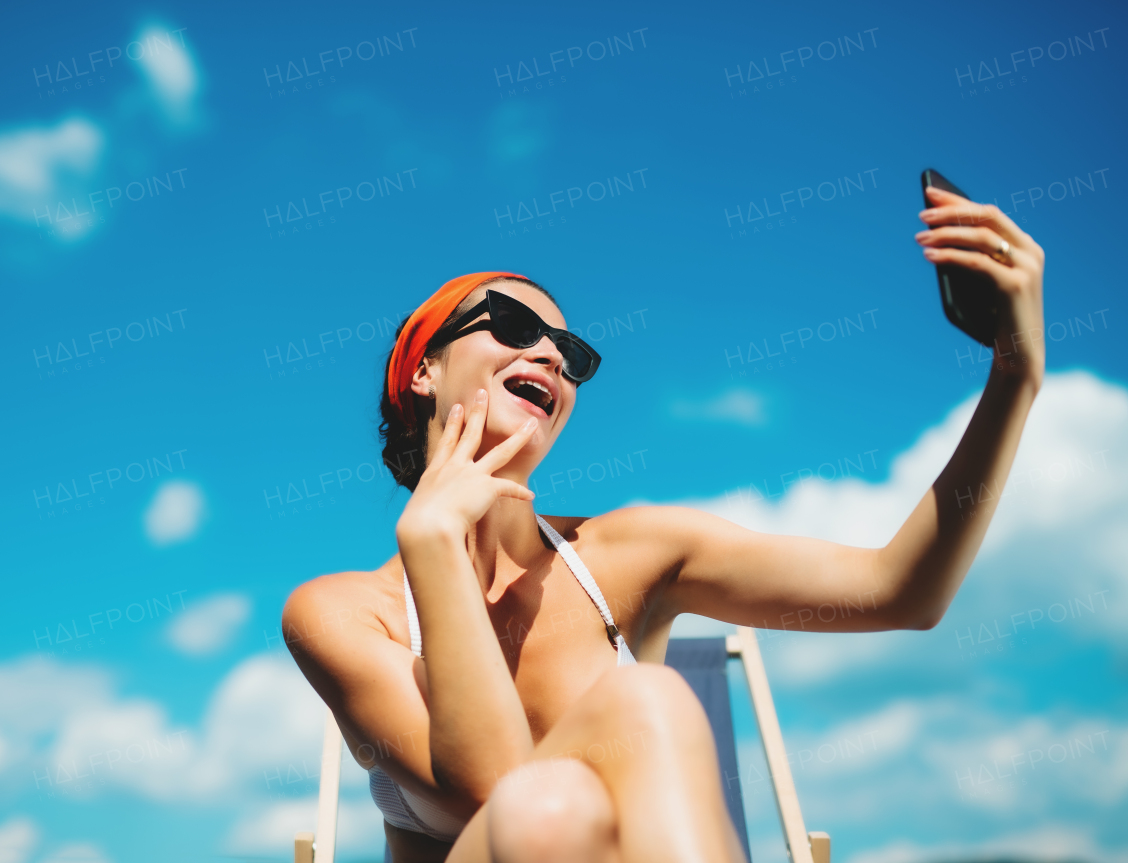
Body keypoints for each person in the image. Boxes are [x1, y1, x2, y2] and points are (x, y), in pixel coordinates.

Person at [282, 185, 1046, 863]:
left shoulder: (629, 552)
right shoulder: (344, 613)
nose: (547, 353)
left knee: (592, 765)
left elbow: (900, 591)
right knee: (588, 757)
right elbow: (493, 790)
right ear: (423, 369)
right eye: (513, 324)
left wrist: (1014, 376)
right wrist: (434, 541)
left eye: (571, 352)